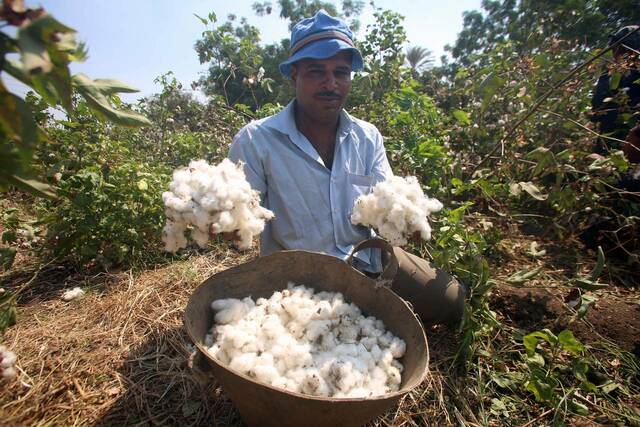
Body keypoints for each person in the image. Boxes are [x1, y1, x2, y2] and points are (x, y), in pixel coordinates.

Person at [227, 10, 465, 325]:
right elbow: (240, 222)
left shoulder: (367, 138)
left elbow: (387, 210)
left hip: (368, 262)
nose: (331, 84)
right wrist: (226, 224)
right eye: (316, 72)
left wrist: (405, 224)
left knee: (453, 302)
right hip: (298, 279)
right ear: (294, 75)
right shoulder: (257, 140)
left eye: (341, 72)